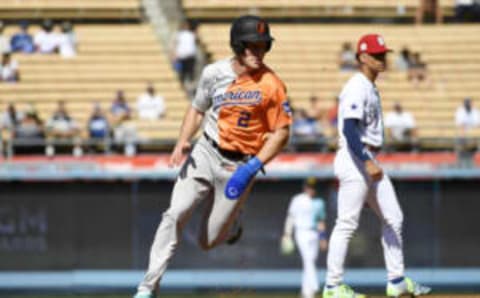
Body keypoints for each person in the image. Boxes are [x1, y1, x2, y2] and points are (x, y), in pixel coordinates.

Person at [133, 15, 292, 298]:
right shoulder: (214, 73)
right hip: (206, 151)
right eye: (251, 46)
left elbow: (281, 133)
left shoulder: (272, 84)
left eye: (263, 47)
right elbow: (197, 109)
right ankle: (147, 288)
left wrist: (254, 166)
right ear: (237, 46)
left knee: (207, 241)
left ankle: (232, 225)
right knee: (175, 214)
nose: (258, 52)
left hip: (240, 165)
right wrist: (183, 140)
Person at [323, 34, 431, 298]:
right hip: (355, 157)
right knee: (347, 222)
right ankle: (332, 286)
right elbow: (349, 129)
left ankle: (396, 281)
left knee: (394, 217)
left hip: (368, 158)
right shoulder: (357, 86)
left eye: (383, 54)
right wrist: (366, 160)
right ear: (362, 57)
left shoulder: (369, 86)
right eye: (376, 54)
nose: (382, 58)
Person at [281, 177, 327, 298]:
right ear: (305, 187)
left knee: (310, 261)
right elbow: (291, 217)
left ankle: (307, 292)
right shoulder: (297, 200)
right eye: (309, 187)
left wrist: (323, 238)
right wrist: (287, 233)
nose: (311, 189)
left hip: (314, 234)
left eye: (313, 187)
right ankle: (315, 285)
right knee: (308, 259)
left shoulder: (319, 202)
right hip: (301, 232)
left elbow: (320, 221)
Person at [172, 20, 197, 86]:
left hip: (190, 56)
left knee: (191, 72)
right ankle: (182, 84)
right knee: (182, 73)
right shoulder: (178, 34)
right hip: (182, 57)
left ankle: (191, 84)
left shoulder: (191, 34)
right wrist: (174, 55)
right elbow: (175, 44)